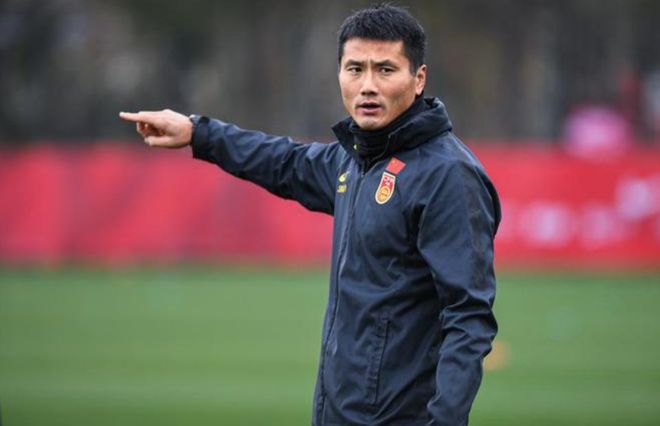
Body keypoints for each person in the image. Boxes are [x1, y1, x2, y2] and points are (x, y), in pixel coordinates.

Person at [119, 5, 500, 425]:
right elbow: (283, 161)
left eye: (385, 70)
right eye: (355, 69)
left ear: (418, 78)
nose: (368, 86)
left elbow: (468, 318)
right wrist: (198, 133)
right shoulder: (354, 161)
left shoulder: (448, 176)